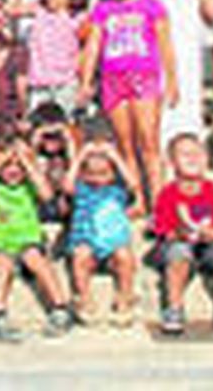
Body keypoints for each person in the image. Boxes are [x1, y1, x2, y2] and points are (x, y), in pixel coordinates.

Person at [81, 0, 177, 199]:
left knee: (149, 142)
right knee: (125, 144)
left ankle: (158, 199)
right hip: (113, 80)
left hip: (144, 79)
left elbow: (165, 44)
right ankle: (137, 198)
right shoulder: (103, 9)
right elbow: (93, 47)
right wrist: (86, 81)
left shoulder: (151, 6)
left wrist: (172, 81)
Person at [0, 134, 74, 341]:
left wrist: (27, 163)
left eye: (18, 166)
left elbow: (47, 194)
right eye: (7, 166)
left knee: (37, 260)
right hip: (2, 243)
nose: (13, 170)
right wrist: (0, 160)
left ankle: (60, 306)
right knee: (2, 265)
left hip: (29, 241)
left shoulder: (29, 187)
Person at [155, 133, 213, 334]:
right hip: (180, 241)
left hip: (209, 242)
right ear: (172, 162)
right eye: (185, 154)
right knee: (178, 255)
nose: (192, 158)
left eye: (197, 153)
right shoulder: (168, 193)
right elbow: (164, 230)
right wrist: (182, 233)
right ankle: (174, 307)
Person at [64, 135, 139, 328]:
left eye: (104, 173)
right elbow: (67, 185)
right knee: (80, 256)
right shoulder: (82, 190)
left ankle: (125, 297)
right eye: (91, 174)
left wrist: (114, 156)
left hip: (113, 244)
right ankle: (84, 298)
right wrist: (80, 156)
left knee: (125, 256)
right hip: (87, 242)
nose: (97, 179)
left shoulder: (117, 191)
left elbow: (133, 183)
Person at [9, 0, 85, 114]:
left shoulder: (77, 17)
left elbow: (88, 50)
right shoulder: (39, 9)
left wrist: (84, 83)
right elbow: (10, 9)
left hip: (66, 86)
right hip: (39, 87)